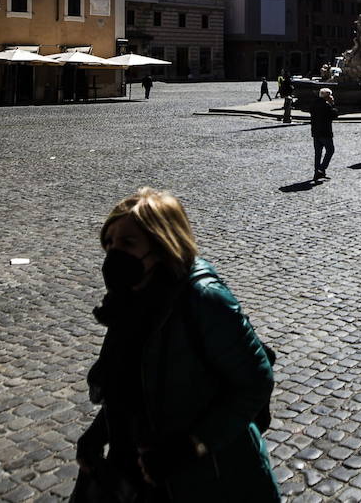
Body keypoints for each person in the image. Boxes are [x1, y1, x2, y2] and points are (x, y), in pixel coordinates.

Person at [74, 188, 279, 503]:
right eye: (110, 243)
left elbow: (256, 382)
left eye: (128, 243)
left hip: (207, 476)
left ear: (162, 245)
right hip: (139, 474)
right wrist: (98, 433)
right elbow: (134, 385)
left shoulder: (203, 300)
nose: (114, 253)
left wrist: (190, 447)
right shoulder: (127, 302)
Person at [311, 88, 339, 181]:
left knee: (317, 154)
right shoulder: (327, 106)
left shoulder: (314, 104)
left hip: (315, 132)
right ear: (328, 96)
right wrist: (332, 104)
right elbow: (334, 114)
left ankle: (317, 173)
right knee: (330, 150)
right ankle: (321, 169)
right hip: (325, 132)